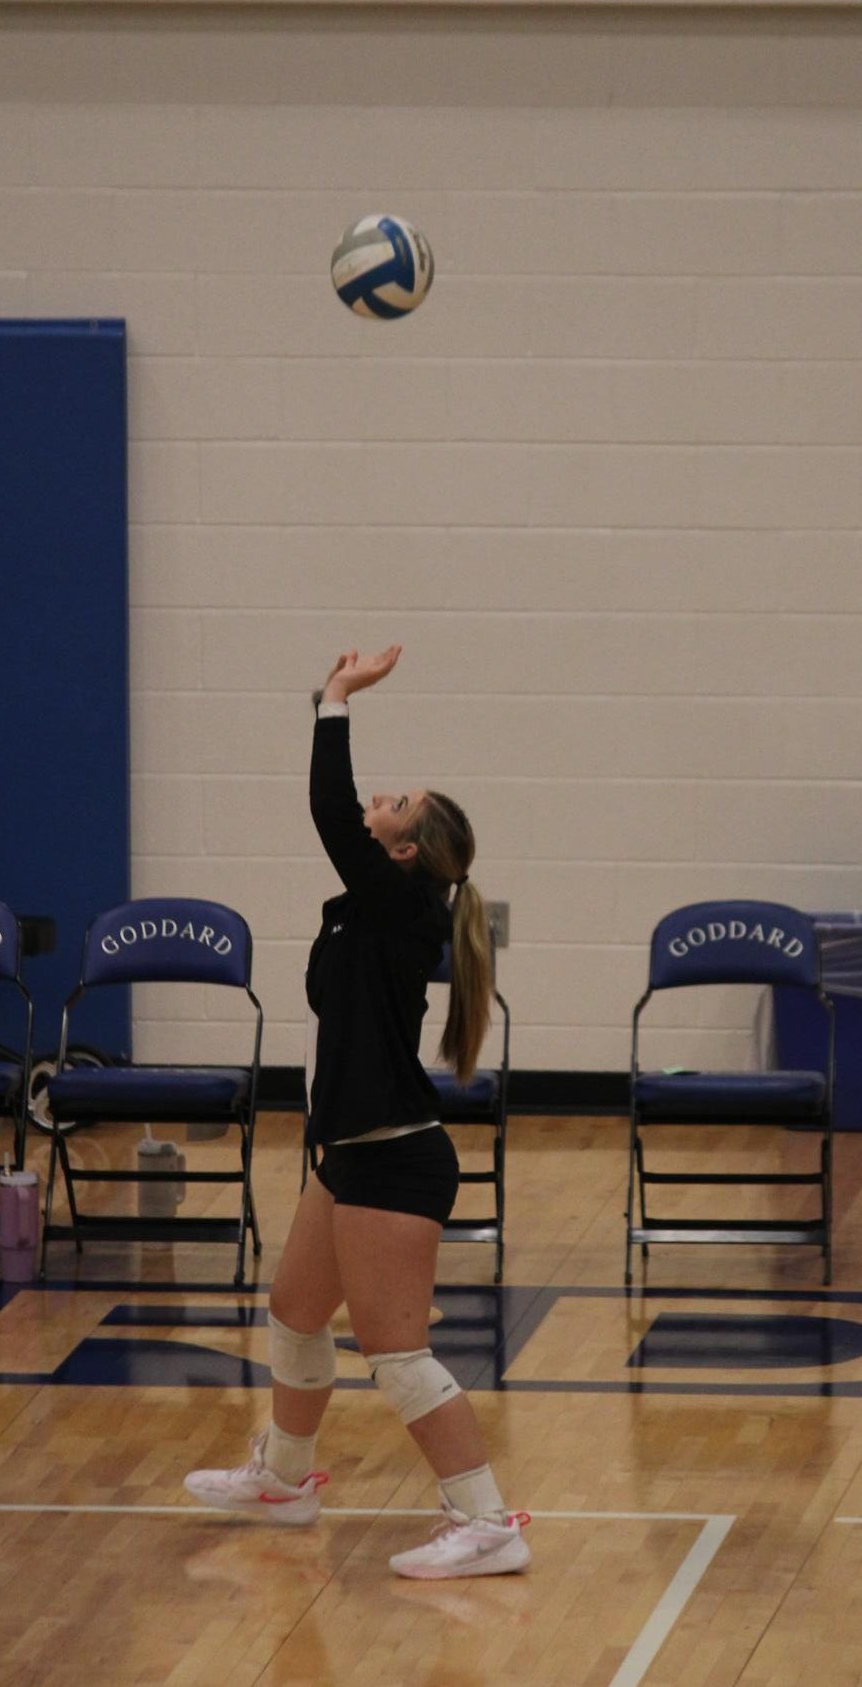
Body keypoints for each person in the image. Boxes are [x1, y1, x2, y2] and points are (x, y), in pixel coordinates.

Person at [185, 645, 530, 1580]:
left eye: (395, 805)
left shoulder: (400, 905)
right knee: (296, 1313)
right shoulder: (367, 908)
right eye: (388, 796)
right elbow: (345, 825)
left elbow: (330, 810)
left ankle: (488, 1522)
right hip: (346, 1154)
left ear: (404, 849)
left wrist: (335, 701)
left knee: (396, 1354)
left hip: (393, 1160)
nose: (378, 801)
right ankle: (285, 1480)